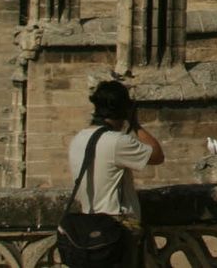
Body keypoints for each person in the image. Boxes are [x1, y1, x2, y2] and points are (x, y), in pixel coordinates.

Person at [68, 80, 165, 265]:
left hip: (88, 229)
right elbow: (157, 155)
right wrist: (135, 124)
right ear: (124, 109)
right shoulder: (117, 142)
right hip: (117, 229)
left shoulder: (77, 139)